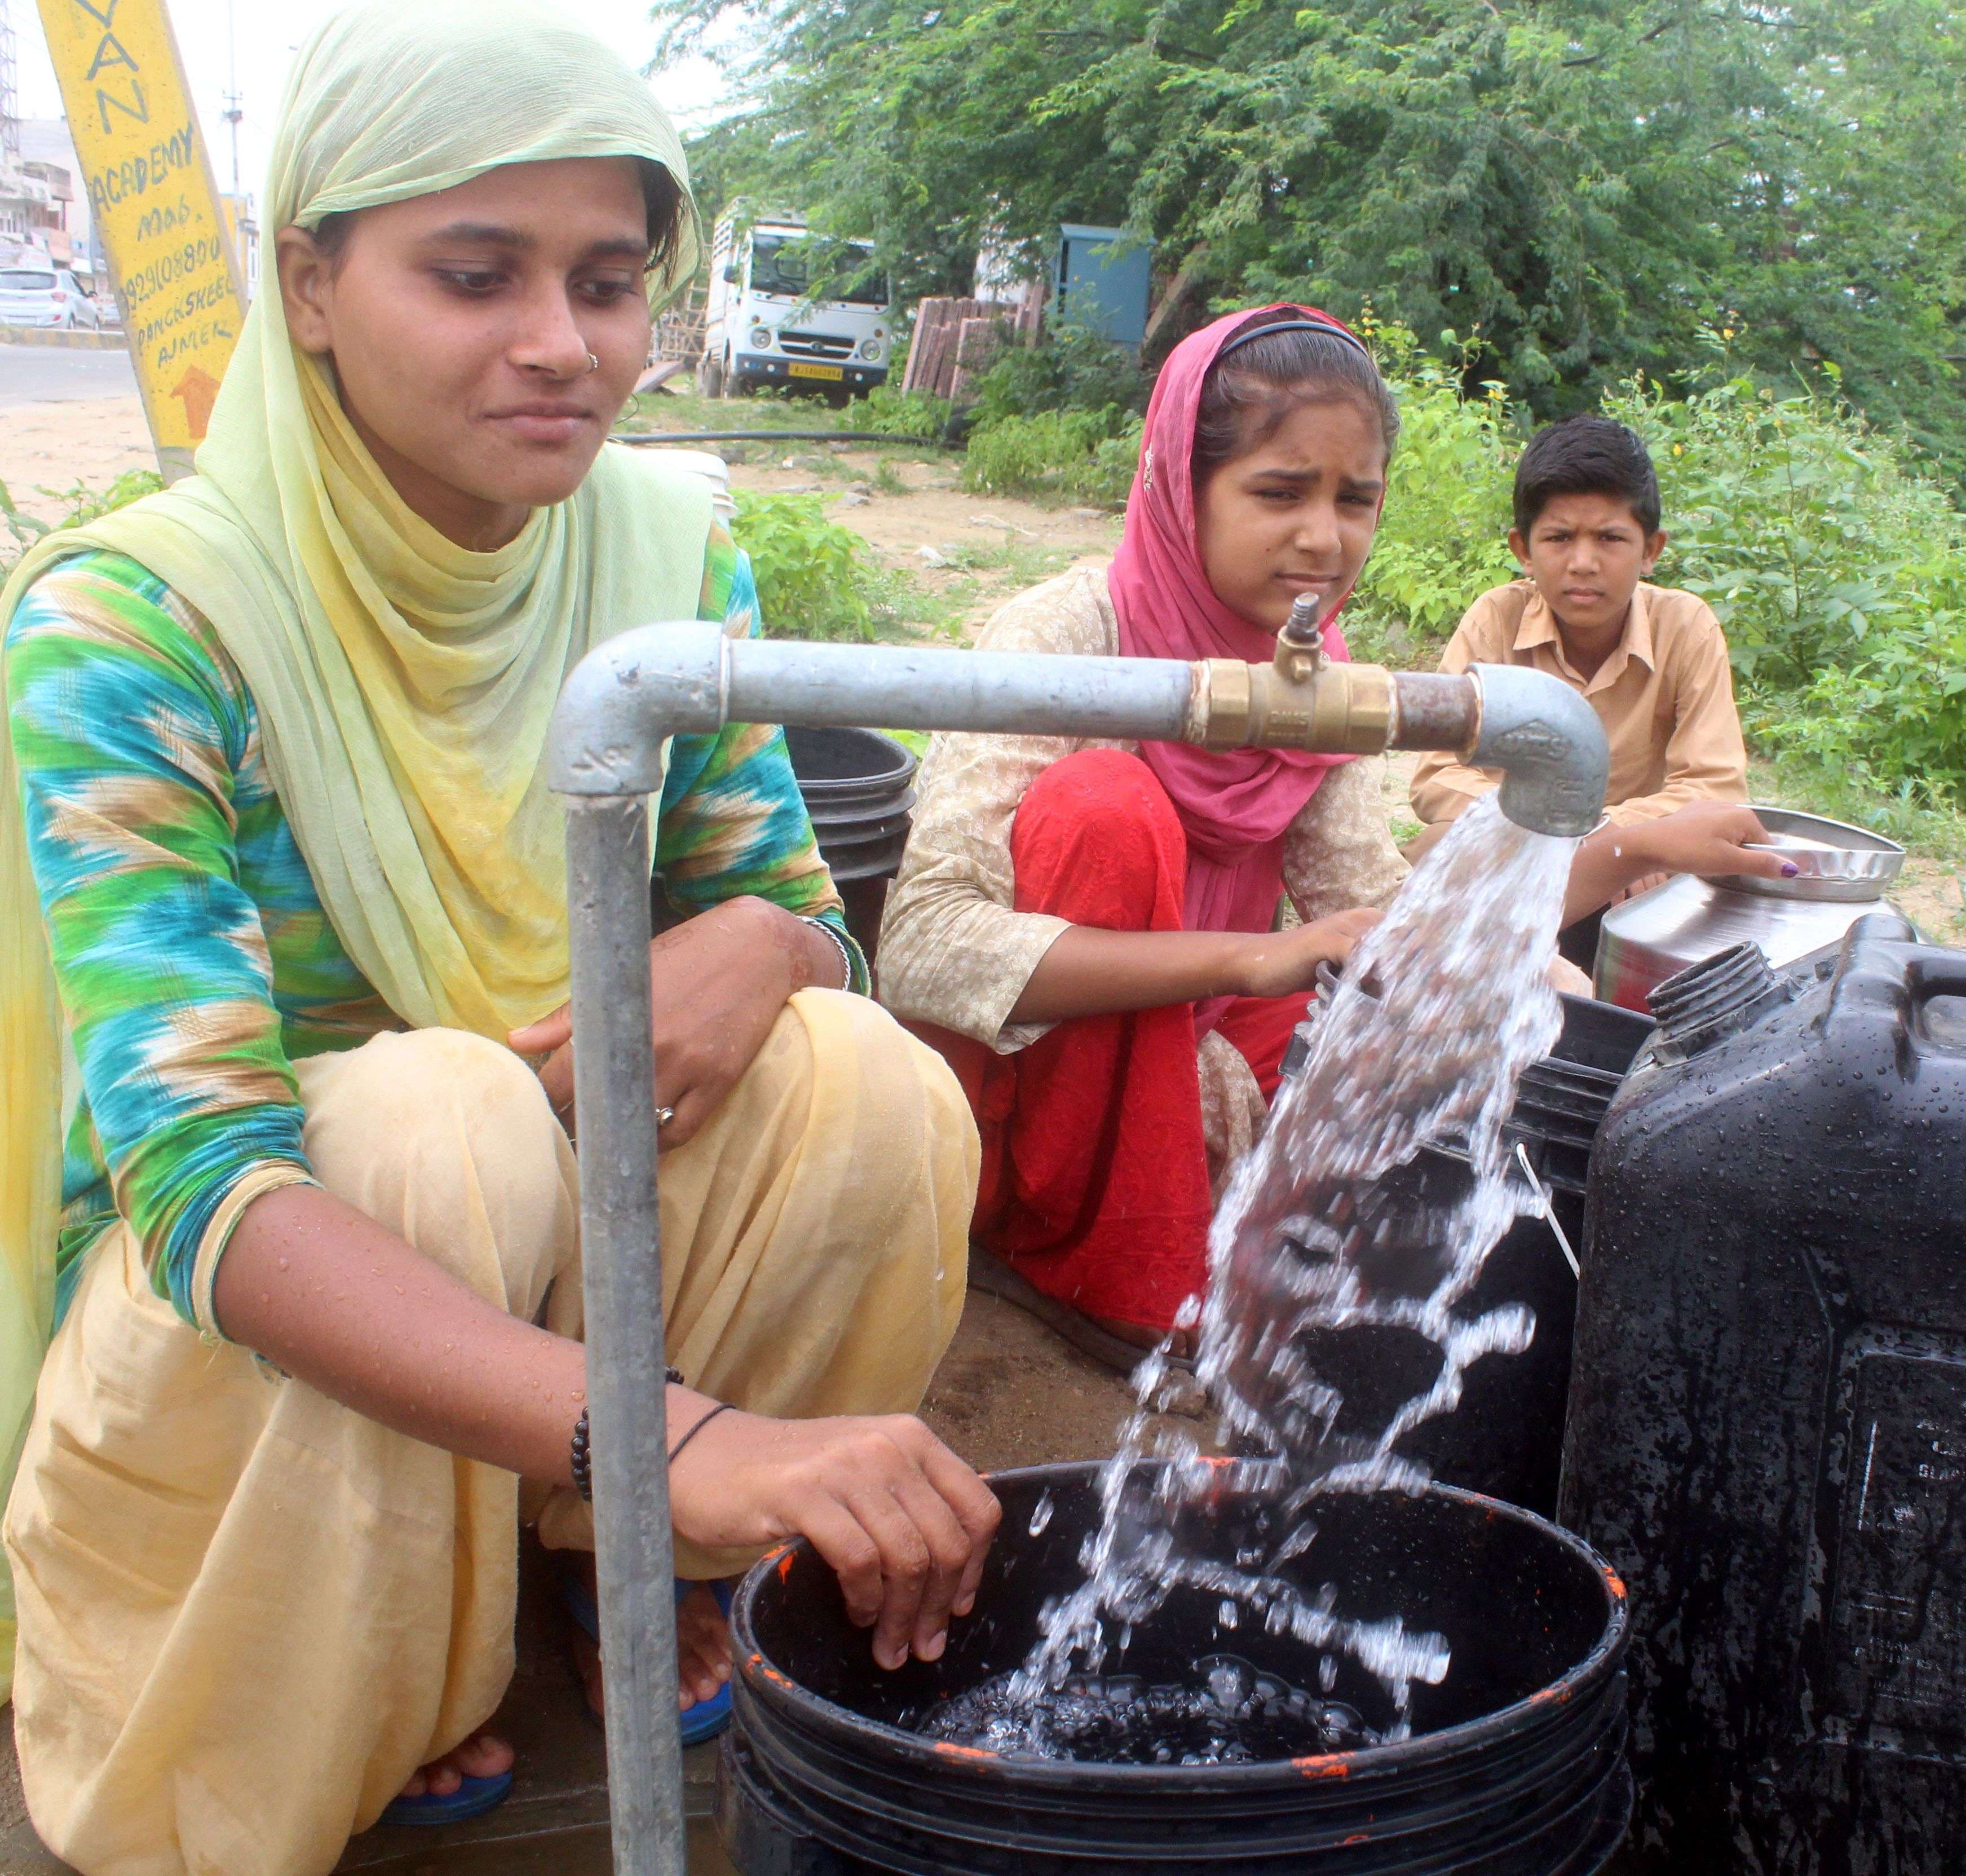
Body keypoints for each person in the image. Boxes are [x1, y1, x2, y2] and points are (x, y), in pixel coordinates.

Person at [0, 8, 996, 1873]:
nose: (563, 343)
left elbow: (794, 904)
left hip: (580, 1243)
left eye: (608, 282)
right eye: (476, 275)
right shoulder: (139, 623)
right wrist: (675, 1425)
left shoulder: (664, 559)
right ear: (306, 283)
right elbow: (206, 1183)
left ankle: (614, 1566)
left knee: (865, 1079)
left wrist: (771, 951)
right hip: (265, 1315)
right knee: (428, 1118)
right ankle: (414, 1648)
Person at [874, 307, 1408, 1365]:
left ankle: (1198, 1209)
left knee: (1389, 986)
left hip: (1188, 1026)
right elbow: (924, 946)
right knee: (1105, 806)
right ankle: (1085, 1264)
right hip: (1031, 1084)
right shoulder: (1070, 637)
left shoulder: (1313, 668)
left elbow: (1369, 899)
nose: (1323, 538)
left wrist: (1589, 884)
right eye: (1279, 491)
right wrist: (1251, 957)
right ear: (1179, 482)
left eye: (1356, 500)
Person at [1409, 413, 1764, 967]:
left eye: (1609, 538)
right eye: (1559, 537)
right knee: (1426, 860)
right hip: (1512, 854)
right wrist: (1570, 839)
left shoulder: (1686, 626)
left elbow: (1715, 786)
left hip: (1638, 874)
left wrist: (1621, 843)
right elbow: (1438, 775)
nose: (1582, 562)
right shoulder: (1495, 621)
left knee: (1703, 897)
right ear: (1523, 549)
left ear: (1651, 549)